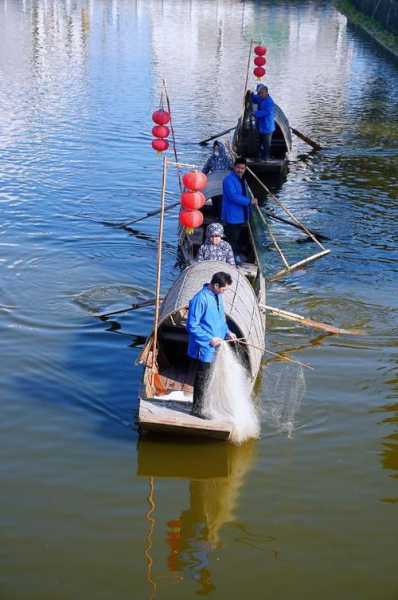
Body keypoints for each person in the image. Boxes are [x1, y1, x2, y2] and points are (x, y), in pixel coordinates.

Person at [187, 272, 236, 418]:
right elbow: (192, 326)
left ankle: (209, 403)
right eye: (223, 289)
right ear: (215, 285)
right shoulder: (200, 299)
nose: (224, 292)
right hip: (205, 346)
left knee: (212, 375)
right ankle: (197, 409)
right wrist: (209, 339)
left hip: (218, 344)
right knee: (203, 377)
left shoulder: (218, 296)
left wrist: (228, 331)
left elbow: (221, 318)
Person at [221, 157, 254, 264]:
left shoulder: (241, 179)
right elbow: (233, 196)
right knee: (232, 239)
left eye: (242, 168)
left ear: (245, 169)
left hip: (241, 215)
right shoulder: (228, 180)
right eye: (238, 168)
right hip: (232, 216)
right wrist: (250, 201)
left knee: (238, 238)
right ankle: (232, 260)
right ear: (234, 167)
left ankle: (236, 257)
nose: (240, 170)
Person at [251, 85, 275, 161]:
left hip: (267, 127)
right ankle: (258, 157)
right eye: (258, 93)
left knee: (266, 144)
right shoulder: (260, 98)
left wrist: (255, 113)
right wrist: (251, 95)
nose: (259, 95)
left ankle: (266, 158)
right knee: (259, 142)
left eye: (261, 93)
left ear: (266, 92)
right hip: (260, 126)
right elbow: (255, 99)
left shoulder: (269, 102)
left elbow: (266, 112)